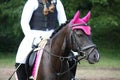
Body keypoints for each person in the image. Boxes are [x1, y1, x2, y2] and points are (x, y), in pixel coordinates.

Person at [15, 0, 67, 80]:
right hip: (34, 35)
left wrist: (60, 38)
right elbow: (24, 22)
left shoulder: (58, 3)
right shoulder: (32, 2)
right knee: (22, 57)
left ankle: (71, 77)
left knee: (72, 54)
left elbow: (63, 23)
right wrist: (34, 39)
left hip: (53, 35)